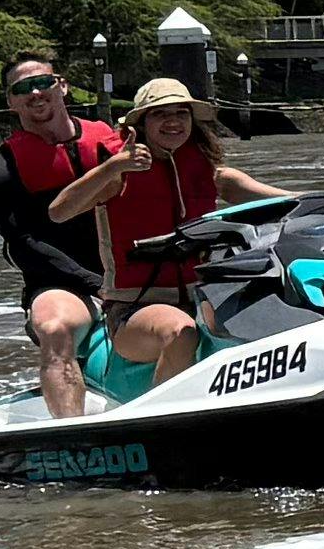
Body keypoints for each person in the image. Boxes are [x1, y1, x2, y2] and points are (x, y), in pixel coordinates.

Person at [46, 77, 255, 394]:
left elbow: (284, 200)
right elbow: (58, 211)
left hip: (201, 298)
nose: (173, 121)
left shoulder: (210, 171)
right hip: (134, 310)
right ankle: (166, 415)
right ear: (141, 124)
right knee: (181, 332)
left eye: (181, 113)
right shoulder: (119, 174)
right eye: (160, 114)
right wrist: (112, 167)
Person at [0, 52, 127, 415]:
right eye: (23, 88)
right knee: (54, 328)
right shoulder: (4, 170)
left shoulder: (112, 144)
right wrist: (94, 283)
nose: (35, 93)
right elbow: (23, 246)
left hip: (131, 272)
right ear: (11, 101)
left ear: (62, 86)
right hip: (63, 284)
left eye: (43, 82)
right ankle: (72, 433)